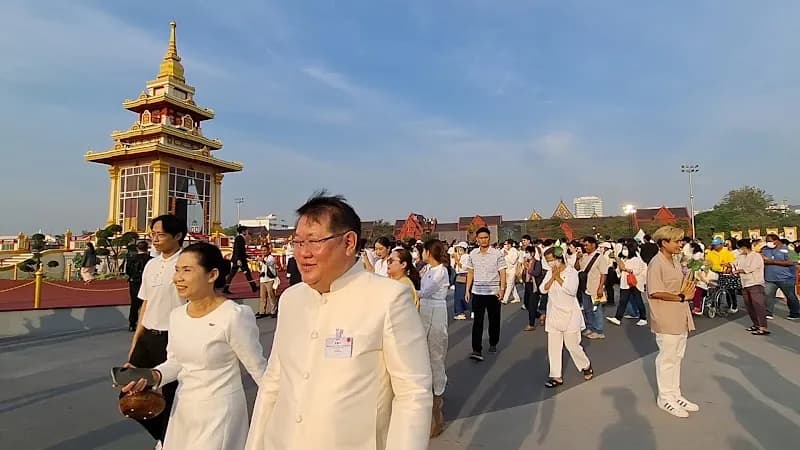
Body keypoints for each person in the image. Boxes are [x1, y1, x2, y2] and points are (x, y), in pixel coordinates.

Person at [245, 193, 432, 450]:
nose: (303, 253)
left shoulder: (388, 299)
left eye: (313, 241)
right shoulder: (291, 299)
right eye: (298, 242)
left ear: (349, 243)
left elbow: (413, 394)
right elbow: (273, 383)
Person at [122, 242, 267, 450]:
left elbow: (259, 371)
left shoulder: (233, 316)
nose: (177, 278)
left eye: (187, 270)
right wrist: (150, 375)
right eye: (177, 270)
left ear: (212, 275)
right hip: (182, 411)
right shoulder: (178, 315)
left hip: (218, 414)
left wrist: (279, 418)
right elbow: (175, 363)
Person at [125, 214, 188, 446]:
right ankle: (166, 436)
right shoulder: (151, 264)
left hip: (174, 339)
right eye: (153, 234)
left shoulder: (187, 264)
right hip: (148, 338)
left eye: (160, 234)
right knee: (129, 391)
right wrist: (134, 345)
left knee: (173, 395)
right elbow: (146, 305)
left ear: (178, 236)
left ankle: (170, 441)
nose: (155, 239)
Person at [647, 225, 698, 418]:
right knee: (667, 358)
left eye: (681, 240)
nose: (680, 244)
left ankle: (675, 394)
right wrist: (681, 297)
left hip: (680, 315)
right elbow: (655, 291)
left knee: (677, 357)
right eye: (676, 241)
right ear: (663, 243)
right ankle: (665, 397)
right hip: (666, 316)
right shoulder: (656, 263)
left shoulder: (675, 261)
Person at [539, 247, 593, 388]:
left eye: (551, 260)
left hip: (570, 314)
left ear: (559, 258)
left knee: (572, 345)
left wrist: (557, 277)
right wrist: (552, 277)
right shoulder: (549, 272)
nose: (550, 263)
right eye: (547, 261)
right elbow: (542, 289)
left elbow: (571, 290)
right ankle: (555, 376)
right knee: (554, 347)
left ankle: (585, 365)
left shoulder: (571, 272)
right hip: (554, 313)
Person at [418, 239, 451, 437]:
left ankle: (438, 397)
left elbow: (425, 291)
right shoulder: (426, 269)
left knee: (436, 356)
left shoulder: (441, 271)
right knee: (423, 354)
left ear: (429, 252)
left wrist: (404, 290)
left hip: (436, 311)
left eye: (423, 251)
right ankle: (429, 392)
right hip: (424, 311)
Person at [465, 227, 507, 362]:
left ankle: (493, 342)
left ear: (489, 238)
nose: (483, 240)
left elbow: (502, 272)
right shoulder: (473, 254)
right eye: (481, 238)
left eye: (486, 237)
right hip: (477, 292)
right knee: (477, 321)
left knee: (494, 320)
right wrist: (467, 290)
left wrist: (502, 289)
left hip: (493, 292)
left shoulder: (497, 254)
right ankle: (476, 349)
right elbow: (470, 273)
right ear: (477, 239)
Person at [607, 241, 648, 326]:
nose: (624, 250)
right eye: (624, 248)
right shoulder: (624, 258)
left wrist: (625, 269)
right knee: (623, 300)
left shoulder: (636, 259)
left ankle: (643, 318)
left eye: (626, 248)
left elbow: (636, 271)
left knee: (638, 300)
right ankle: (618, 318)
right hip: (625, 283)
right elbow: (619, 270)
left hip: (634, 282)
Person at [577, 236, 610, 339]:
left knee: (597, 309)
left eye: (587, 245)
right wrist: (578, 259)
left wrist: (601, 288)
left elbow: (604, 274)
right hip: (585, 287)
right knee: (587, 309)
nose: (585, 247)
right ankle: (590, 327)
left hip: (595, 288)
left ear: (593, 245)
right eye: (584, 245)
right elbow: (578, 268)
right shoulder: (584, 256)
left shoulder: (600, 258)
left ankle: (599, 330)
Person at [761, 233, 800, 320]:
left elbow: (793, 262)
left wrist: (772, 261)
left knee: (790, 296)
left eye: (770, 241)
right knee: (768, 295)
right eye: (766, 241)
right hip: (770, 278)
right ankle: (768, 313)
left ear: (776, 240)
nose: (768, 243)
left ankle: (795, 312)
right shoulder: (765, 249)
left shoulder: (789, 249)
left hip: (786, 278)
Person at [735, 239, 769, 335]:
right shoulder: (741, 256)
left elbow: (751, 268)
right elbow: (735, 264)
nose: (739, 250)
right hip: (745, 283)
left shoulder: (756, 256)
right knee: (749, 305)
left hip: (755, 283)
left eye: (740, 248)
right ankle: (756, 324)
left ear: (744, 247)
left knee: (758, 305)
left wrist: (739, 271)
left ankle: (763, 326)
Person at [125, 240, 152, 331]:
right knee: (148, 303)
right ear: (147, 248)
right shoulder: (151, 260)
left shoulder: (131, 259)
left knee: (134, 304)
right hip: (148, 283)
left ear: (137, 248)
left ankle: (132, 324)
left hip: (134, 282)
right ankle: (147, 324)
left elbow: (127, 271)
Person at [706, 237, 738, 313]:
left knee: (730, 290)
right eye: (714, 245)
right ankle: (715, 305)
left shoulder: (727, 252)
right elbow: (707, 263)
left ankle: (733, 306)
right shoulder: (710, 253)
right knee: (715, 290)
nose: (715, 246)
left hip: (726, 273)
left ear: (721, 244)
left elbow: (732, 263)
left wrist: (727, 266)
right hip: (715, 272)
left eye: (716, 245)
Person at [223, 226, 259, 294]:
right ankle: (253, 287)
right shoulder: (240, 239)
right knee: (246, 274)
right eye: (246, 231)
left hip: (239, 259)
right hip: (240, 260)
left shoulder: (240, 238)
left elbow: (240, 251)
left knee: (233, 274)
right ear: (243, 231)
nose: (247, 232)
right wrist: (238, 259)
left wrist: (249, 256)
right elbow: (238, 250)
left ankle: (225, 288)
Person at [258, 247, 279, 319]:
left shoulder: (271, 258)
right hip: (263, 280)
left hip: (270, 279)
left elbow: (269, 264)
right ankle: (262, 311)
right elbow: (261, 268)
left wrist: (262, 260)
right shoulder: (262, 258)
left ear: (268, 251)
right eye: (262, 250)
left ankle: (273, 311)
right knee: (262, 296)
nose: (263, 252)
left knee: (271, 295)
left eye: (265, 250)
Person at [452, 242, 471, 320]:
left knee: (461, 295)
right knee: (461, 295)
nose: (459, 251)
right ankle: (463, 311)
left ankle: (461, 311)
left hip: (463, 276)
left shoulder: (466, 256)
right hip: (460, 276)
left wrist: (457, 260)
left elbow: (463, 268)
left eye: (460, 249)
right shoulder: (462, 256)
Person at [501, 239, 521, 304]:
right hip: (506, 270)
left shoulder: (514, 251)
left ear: (509, 244)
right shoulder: (505, 250)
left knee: (509, 285)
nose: (505, 245)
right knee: (511, 285)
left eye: (506, 244)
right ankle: (517, 298)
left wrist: (506, 255)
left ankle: (505, 299)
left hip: (512, 270)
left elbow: (512, 261)